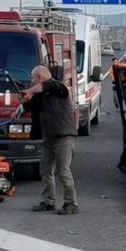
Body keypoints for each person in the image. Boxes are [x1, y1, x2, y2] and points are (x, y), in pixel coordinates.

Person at [22, 65, 79, 215]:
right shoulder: (42, 95)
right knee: (46, 170)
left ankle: (71, 204)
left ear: (39, 77)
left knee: (63, 171)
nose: (31, 81)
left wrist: (30, 91)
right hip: (49, 137)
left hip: (63, 136)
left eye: (32, 78)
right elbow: (30, 107)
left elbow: (48, 84)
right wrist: (21, 107)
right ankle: (48, 201)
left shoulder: (58, 87)